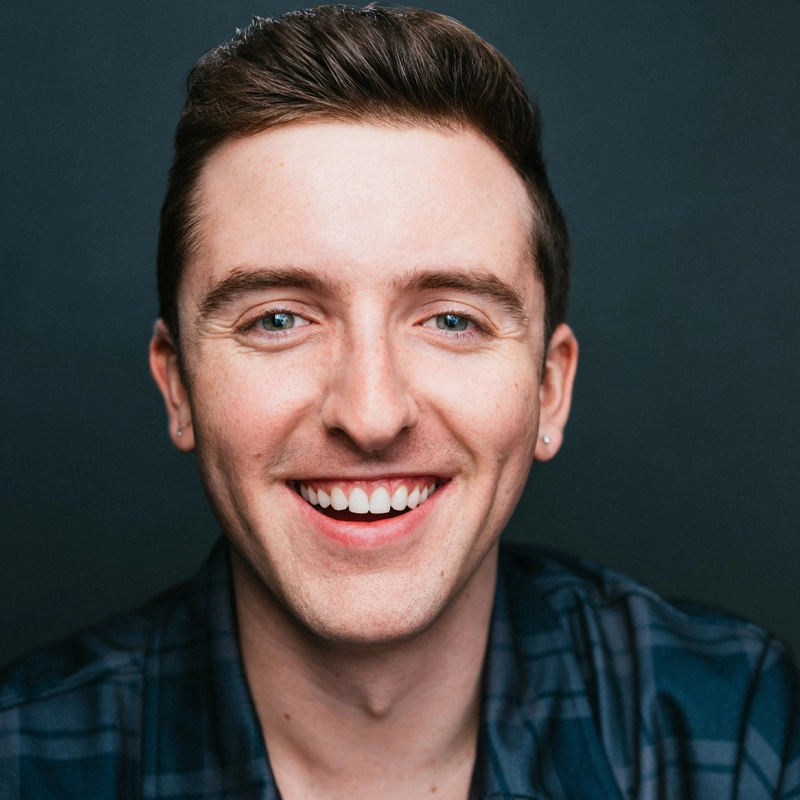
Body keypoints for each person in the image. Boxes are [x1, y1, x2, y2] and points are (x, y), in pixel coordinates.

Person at [1, 5, 798, 798]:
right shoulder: (24, 760)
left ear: (550, 390)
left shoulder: (736, 728)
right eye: (279, 319)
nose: (372, 414)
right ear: (178, 386)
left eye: (452, 319)